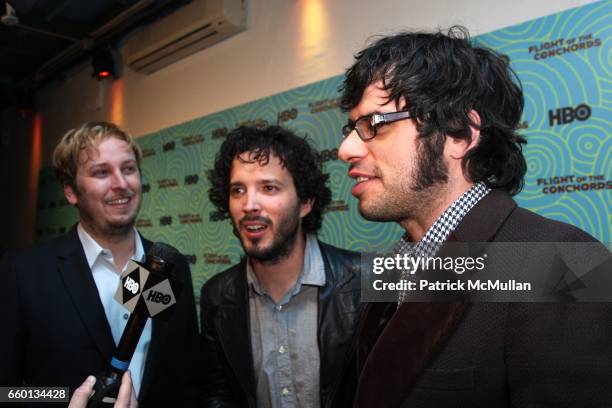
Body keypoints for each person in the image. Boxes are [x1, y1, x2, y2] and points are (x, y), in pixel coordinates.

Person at [338, 27, 612, 407]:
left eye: (373, 125)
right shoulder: (394, 263)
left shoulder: (563, 264)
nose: (346, 148)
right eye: (351, 128)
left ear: (460, 134)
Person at [0, 122, 200, 407]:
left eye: (128, 169)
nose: (121, 183)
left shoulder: (168, 265)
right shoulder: (24, 272)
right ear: (71, 191)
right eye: (101, 172)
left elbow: (186, 378)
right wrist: (63, 398)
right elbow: (7, 392)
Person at [201, 125, 364, 407]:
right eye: (238, 189)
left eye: (269, 188)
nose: (249, 204)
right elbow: (217, 394)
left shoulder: (365, 279)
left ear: (305, 203)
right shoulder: (217, 295)